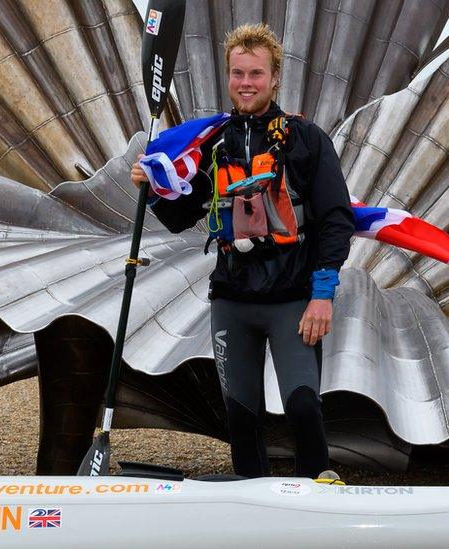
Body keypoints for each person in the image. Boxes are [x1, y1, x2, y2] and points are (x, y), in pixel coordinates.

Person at [131, 23, 354, 478]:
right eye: (237, 73)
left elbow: (336, 219)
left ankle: (320, 500)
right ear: (228, 78)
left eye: (256, 73)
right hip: (232, 297)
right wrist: (152, 189)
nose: (246, 83)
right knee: (239, 414)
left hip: (293, 297)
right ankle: (253, 503)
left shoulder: (306, 139)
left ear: (274, 79)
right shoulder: (212, 142)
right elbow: (181, 216)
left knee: (304, 407)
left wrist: (322, 294)